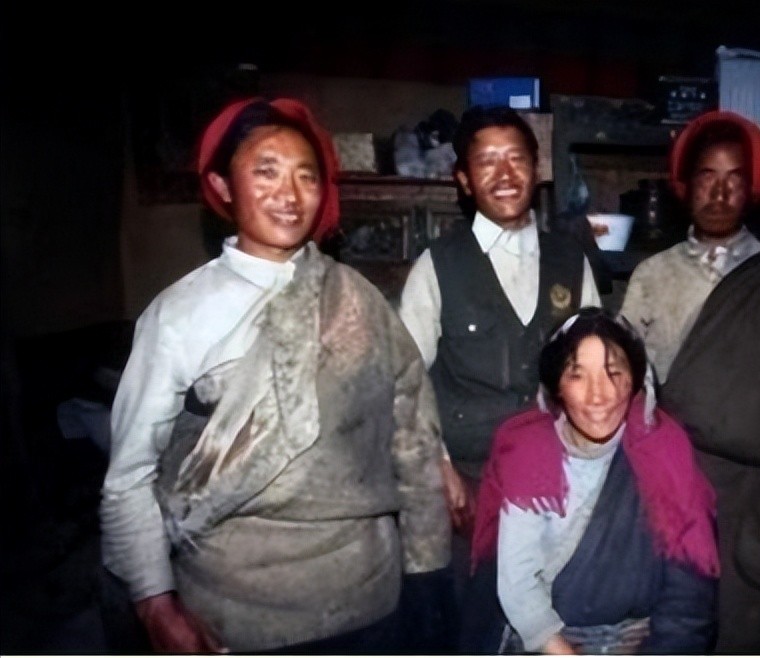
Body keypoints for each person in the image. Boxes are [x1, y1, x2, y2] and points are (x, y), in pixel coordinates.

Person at [99, 97, 451, 654]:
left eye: (306, 177)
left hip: (369, 601)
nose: (289, 194)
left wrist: (428, 575)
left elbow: (413, 440)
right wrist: (154, 603)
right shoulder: (178, 316)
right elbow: (129, 476)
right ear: (223, 186)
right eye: (266, 172)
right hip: (235, 614)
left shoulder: (358, 300)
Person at [619, 109, 760, 654]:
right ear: (685, 185)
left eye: (734, 179)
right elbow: (622, 393)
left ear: (753, 188)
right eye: (707, 177)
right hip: (663, 499)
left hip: (748, 509)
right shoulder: (652, 277)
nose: (719, 193)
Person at [397, 105, 602, 611]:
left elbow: (600, 366)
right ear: (464, 180)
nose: (505, 174)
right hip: (470, 487)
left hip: (559, 483)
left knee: (553, 617)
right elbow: (402, 383)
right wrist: (439, 467)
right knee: (476, 621)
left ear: (538, 168)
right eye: (487, 162)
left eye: (517, 159)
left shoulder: (570, 260)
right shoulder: (438, 266)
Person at [459, 306, 719, 654]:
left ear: (637, 379)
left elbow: (687, 595)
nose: (598, 395)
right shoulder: (527, 452)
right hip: (546, 641)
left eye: (614, 372)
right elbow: (517, 583)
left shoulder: (666, 455)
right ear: (556, 387)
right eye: (577, 375)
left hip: (639, 641)